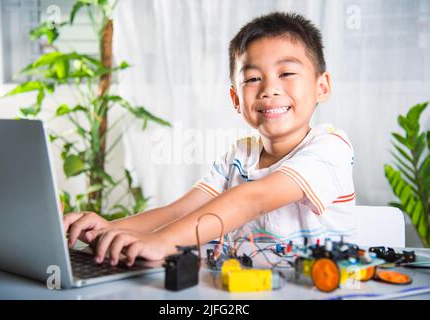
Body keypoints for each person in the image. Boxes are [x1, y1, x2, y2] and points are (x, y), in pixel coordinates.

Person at [64, 12, 356, 267]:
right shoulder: (239, 155)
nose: (269, 89)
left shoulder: (331, 147)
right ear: (236, 99)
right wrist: (110, 229)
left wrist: (162, 242)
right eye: (253, 78)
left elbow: (252, 199)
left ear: (322, 87)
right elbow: (180, 211)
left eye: (287, 73)